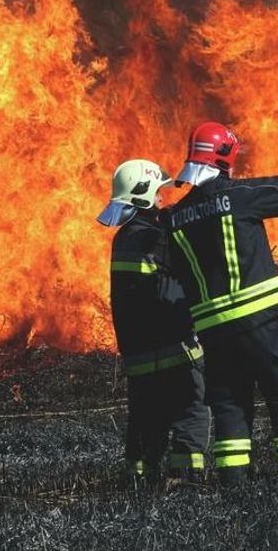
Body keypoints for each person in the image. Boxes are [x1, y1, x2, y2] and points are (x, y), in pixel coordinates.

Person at [164, 121, 278, 484]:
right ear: (224, 157)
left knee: (229, 400)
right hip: (259, 319)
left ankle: (233, 482)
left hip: (213, 330)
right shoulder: (238, 195)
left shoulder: (174, 219)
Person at [97, 158, 210, 487]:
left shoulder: (125, 238)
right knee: (191, 409)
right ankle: (185, 480)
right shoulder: (158, 238)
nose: (164, 197)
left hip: (138, 353)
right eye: (159, 192)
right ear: (143, 195)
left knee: (146, 418)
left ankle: (138, 481)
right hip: (174, 346)